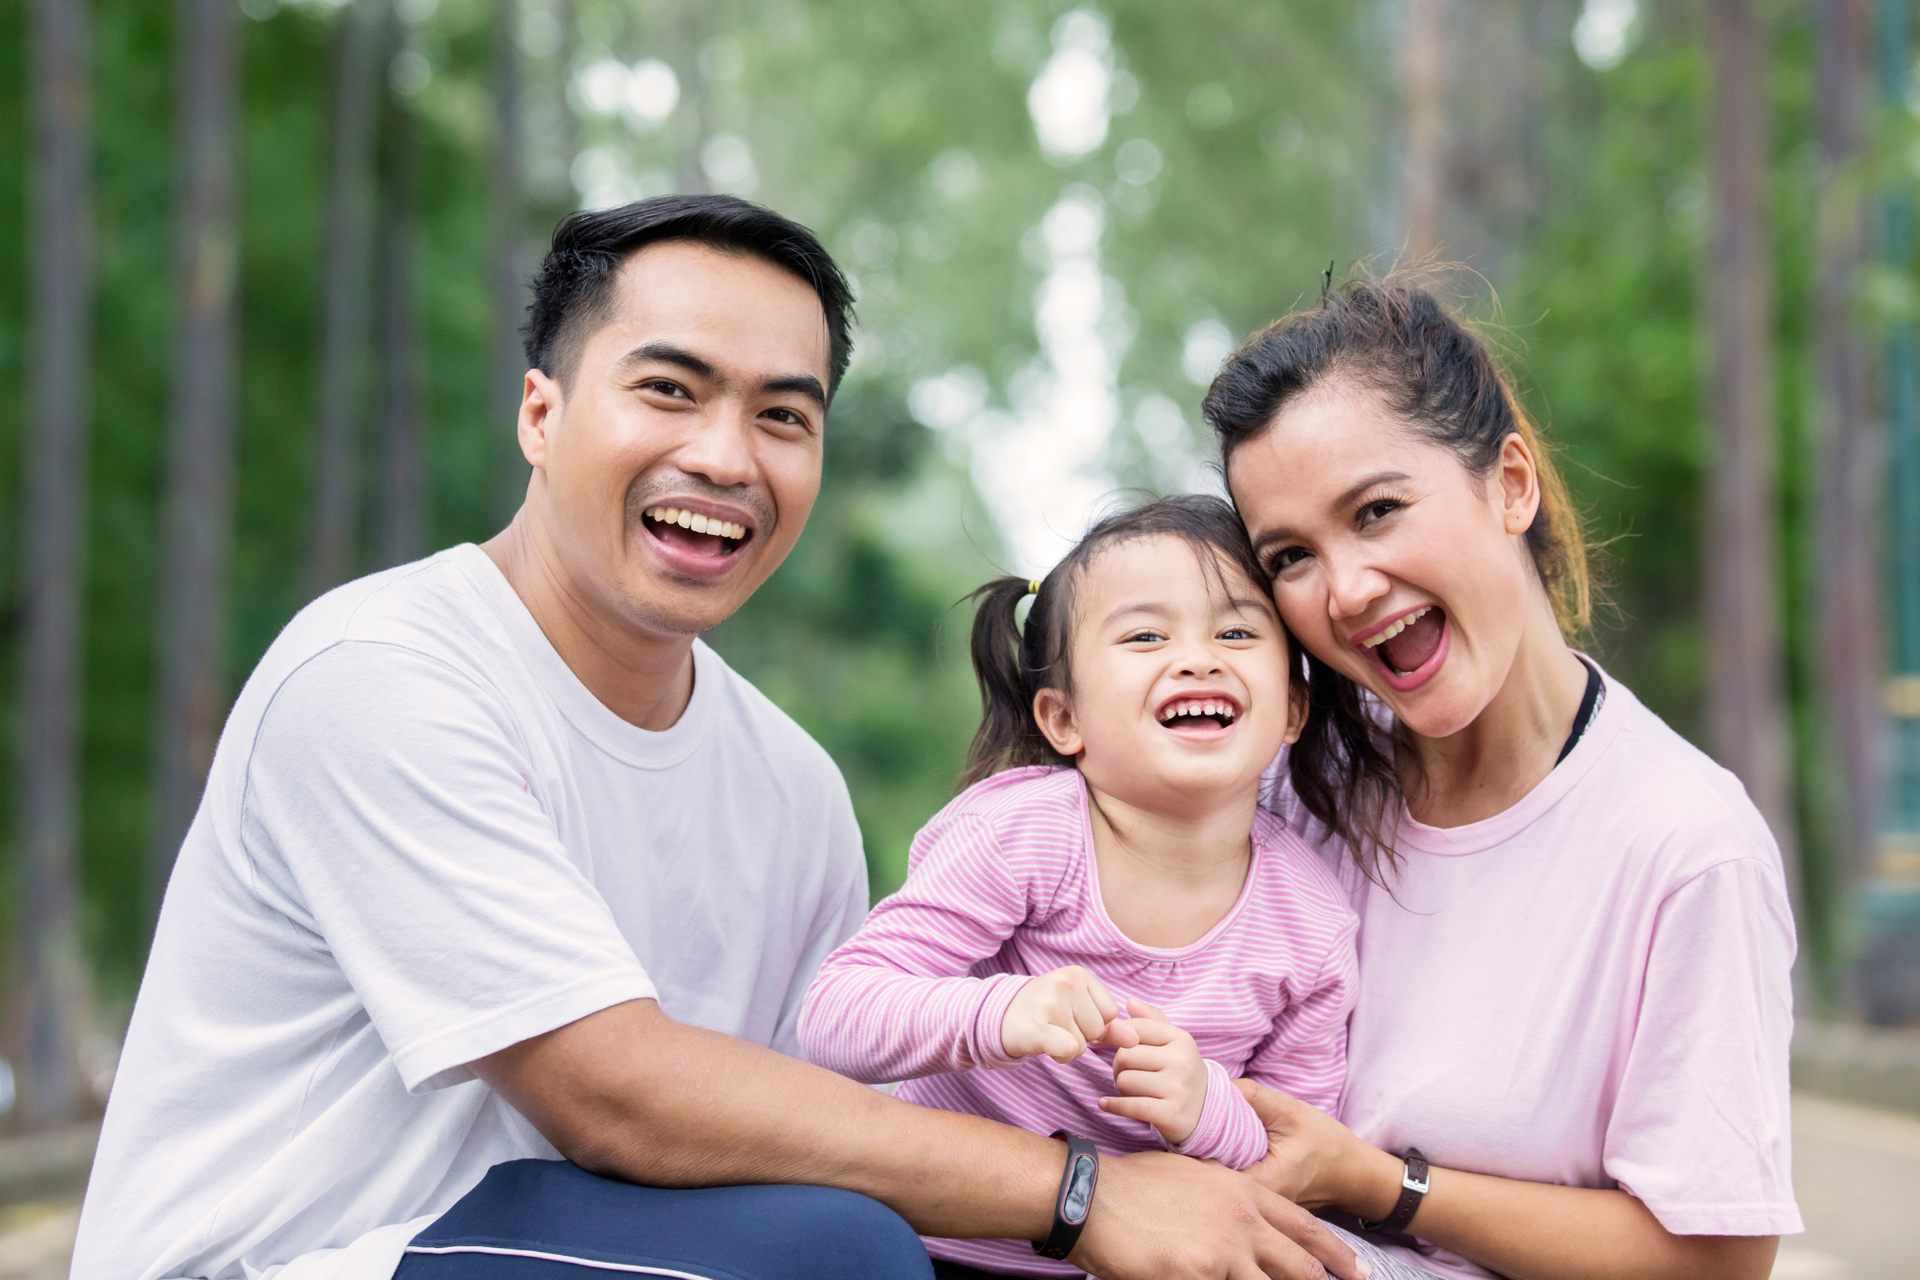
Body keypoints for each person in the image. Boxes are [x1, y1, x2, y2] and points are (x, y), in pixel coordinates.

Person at [70, 195, 1360, 1280]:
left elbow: (832, 1113)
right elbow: (610, 1088)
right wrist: (1083, 1194)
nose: (724, 455)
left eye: (783, 416)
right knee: (833, 1253)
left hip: (579, 1243)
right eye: (669, 389)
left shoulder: (788, 785)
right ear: (539, 412)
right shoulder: (385, 675)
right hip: (305, 1255)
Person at [1210, 277, 1800, 1280]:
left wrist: (1376, 1179)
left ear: (1510, 484)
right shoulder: (1278, 795)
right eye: (1291, 556)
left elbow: (1718, 1260)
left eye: (1379, 509)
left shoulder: (1689, 846)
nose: (1348, 588)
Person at [803, 496, 1371, 1279]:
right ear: (1063, 718)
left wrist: (1209, 1109)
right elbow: (836, 1014)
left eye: (1237, 632)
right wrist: (1002, 1012)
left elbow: (1298, 1161)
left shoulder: (1310, 924)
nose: (1198, 658)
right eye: (1146, 636)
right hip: (930, 1241)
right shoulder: (1027, 836)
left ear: (1293, 711)